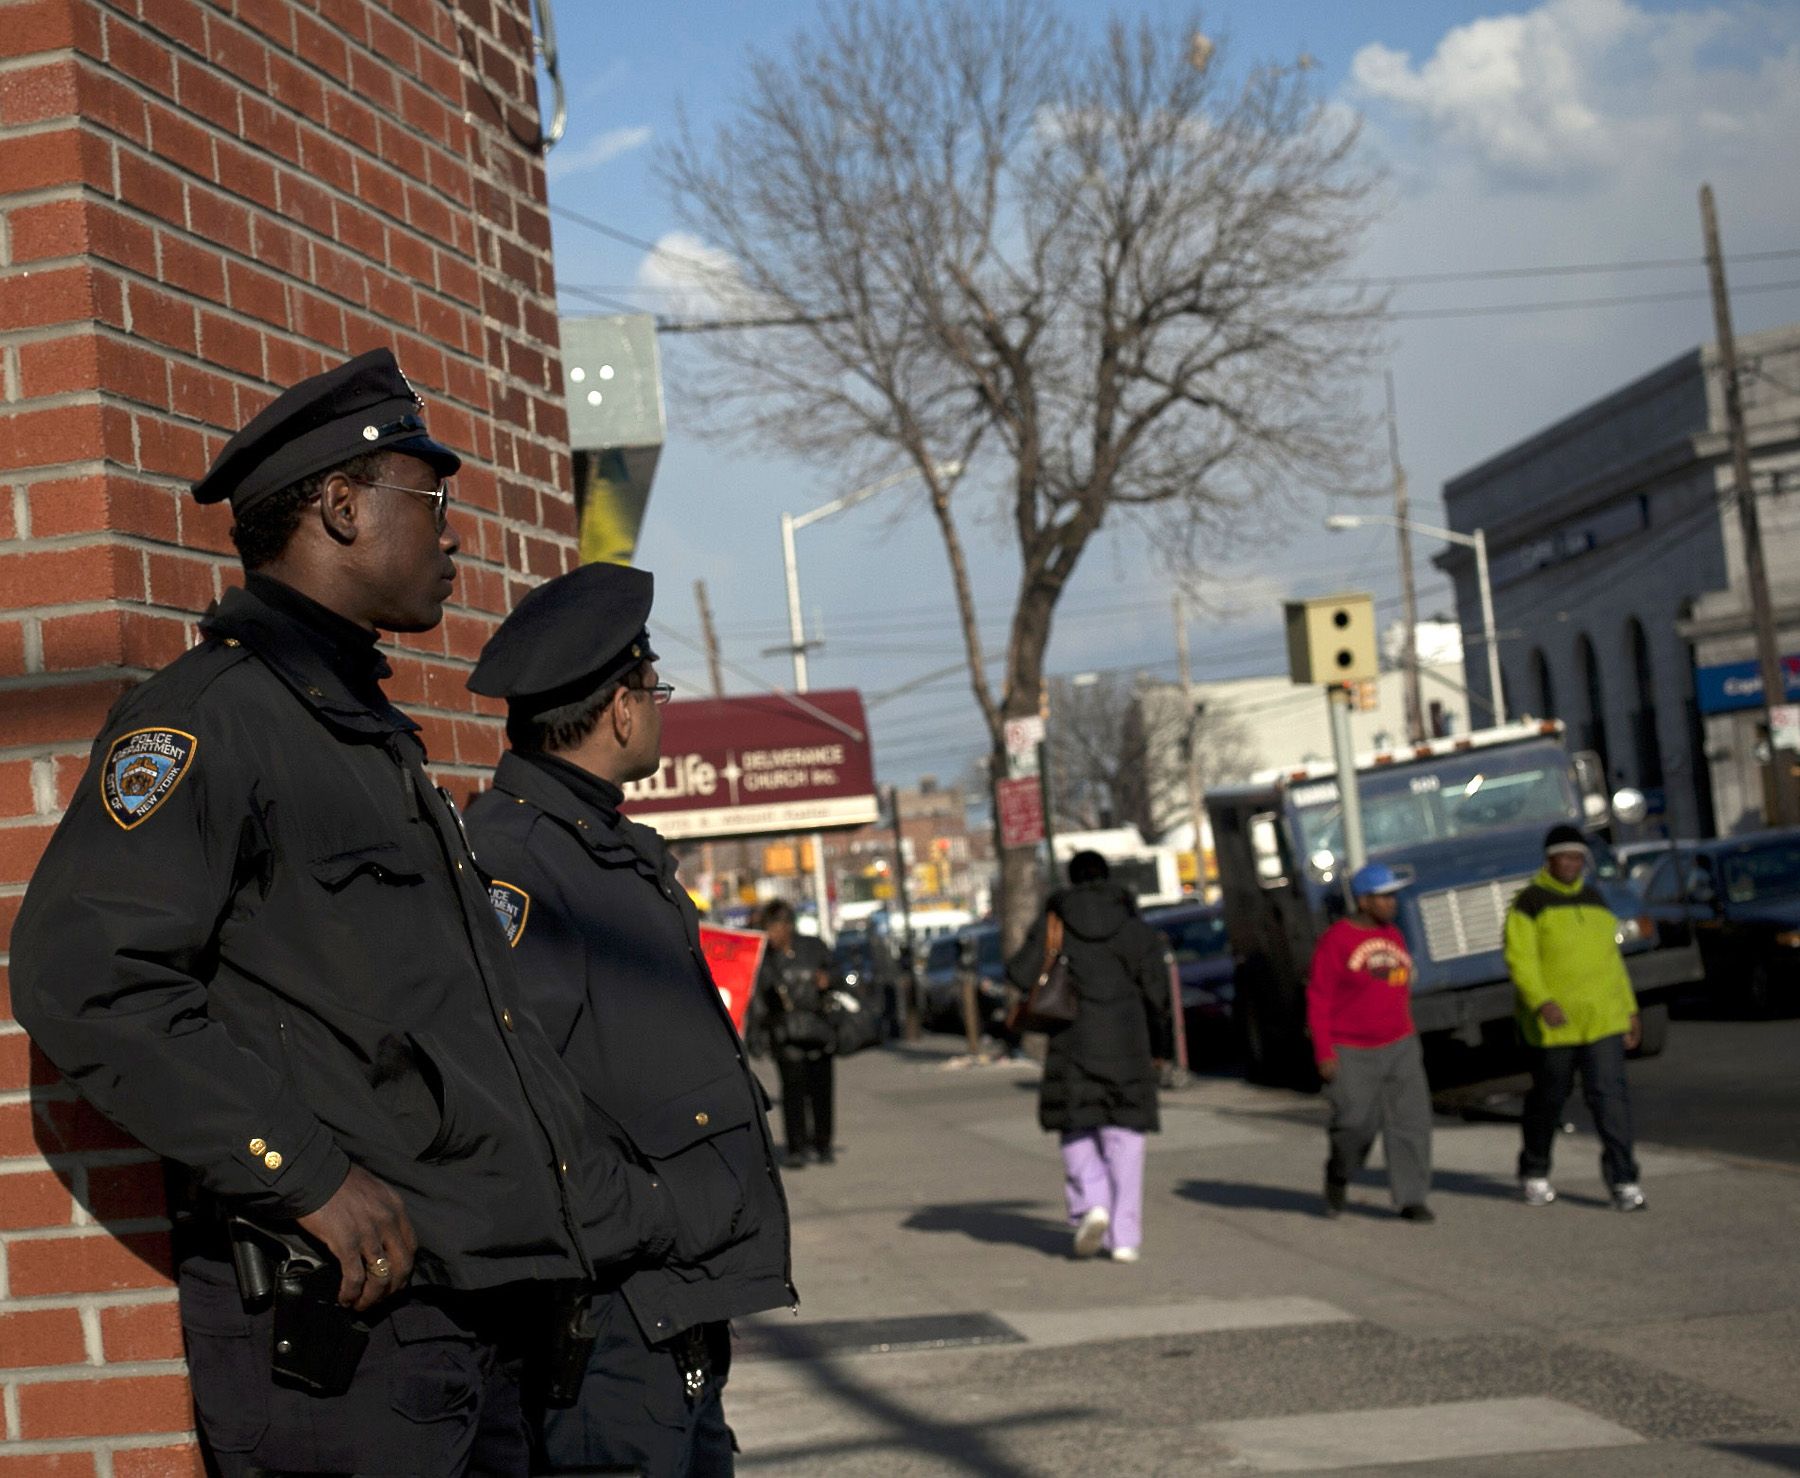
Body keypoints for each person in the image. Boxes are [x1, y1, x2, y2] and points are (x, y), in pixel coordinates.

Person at [11, 351, 693, 1476]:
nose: (455, 536)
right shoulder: (213, 721)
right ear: (339, 503)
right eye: (433, 502)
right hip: (361, 1351)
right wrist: (303, 1172)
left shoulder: (363, 729)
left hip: (475, 1323)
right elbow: (83, 976)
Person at [462, 561, 792, 1477]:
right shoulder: (518, 863)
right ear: (619, 707)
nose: (658, 707)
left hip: (671, 1312)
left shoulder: (596, 846)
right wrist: (650, 1212)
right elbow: (513, 1095)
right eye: (654, 687)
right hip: (610, 1327)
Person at [1006, 851, 1170, 1263]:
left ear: (1071, 879)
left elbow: (1019, 974)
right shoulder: (1135, 929)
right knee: (1126, 1138)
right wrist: (1161, 1047)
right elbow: (1158, 995)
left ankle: (1091, 1205)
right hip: (1128, 1044)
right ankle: (1125, 1236)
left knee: (1077, 1127)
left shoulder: (1055, 923)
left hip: (1072, 1041)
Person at [1505, 823, 1646, 1211]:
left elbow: (1612, 962)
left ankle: (1624, 1181)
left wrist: (1630, 1010)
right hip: (1556, 1024)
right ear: (1549, 860)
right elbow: (1521, 960)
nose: (1571, 864)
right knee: (1549, 1098)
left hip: (1603, 1019)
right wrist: (1541, 1001)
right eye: (1564, 857)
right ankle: (1534, 1171)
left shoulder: (1596, 900)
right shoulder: (1529, 903)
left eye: (1577, 857)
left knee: (1610, 1100)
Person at [1305, 862, 1434, 1222]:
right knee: (1355, 1122)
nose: (1392, 903)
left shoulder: (1393, 934)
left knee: (1411, 1122)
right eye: (1384, 897)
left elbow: (1395, 981)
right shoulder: (1336, 940)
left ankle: (1412, 1197)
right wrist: (1324, 1051)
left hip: (1400, 1044)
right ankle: (1340, 1172)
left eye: (1393, 896)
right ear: (1363, 901)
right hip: (1350, 1049)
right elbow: (1319, 998)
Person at [751, 901, 838, 1169]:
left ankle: (822, 1144)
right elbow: (758, 999)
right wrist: (757, 1037)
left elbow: (840, 974)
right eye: (766, 928)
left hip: (817, 1028)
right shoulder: (765, 957)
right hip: (785, 1032)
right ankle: (796, 1146)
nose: (770, 934)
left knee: (821, 1089)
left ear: (786, 925)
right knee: (793, 1092)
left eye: (773, 927)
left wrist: (828, 979)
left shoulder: (813, 947)